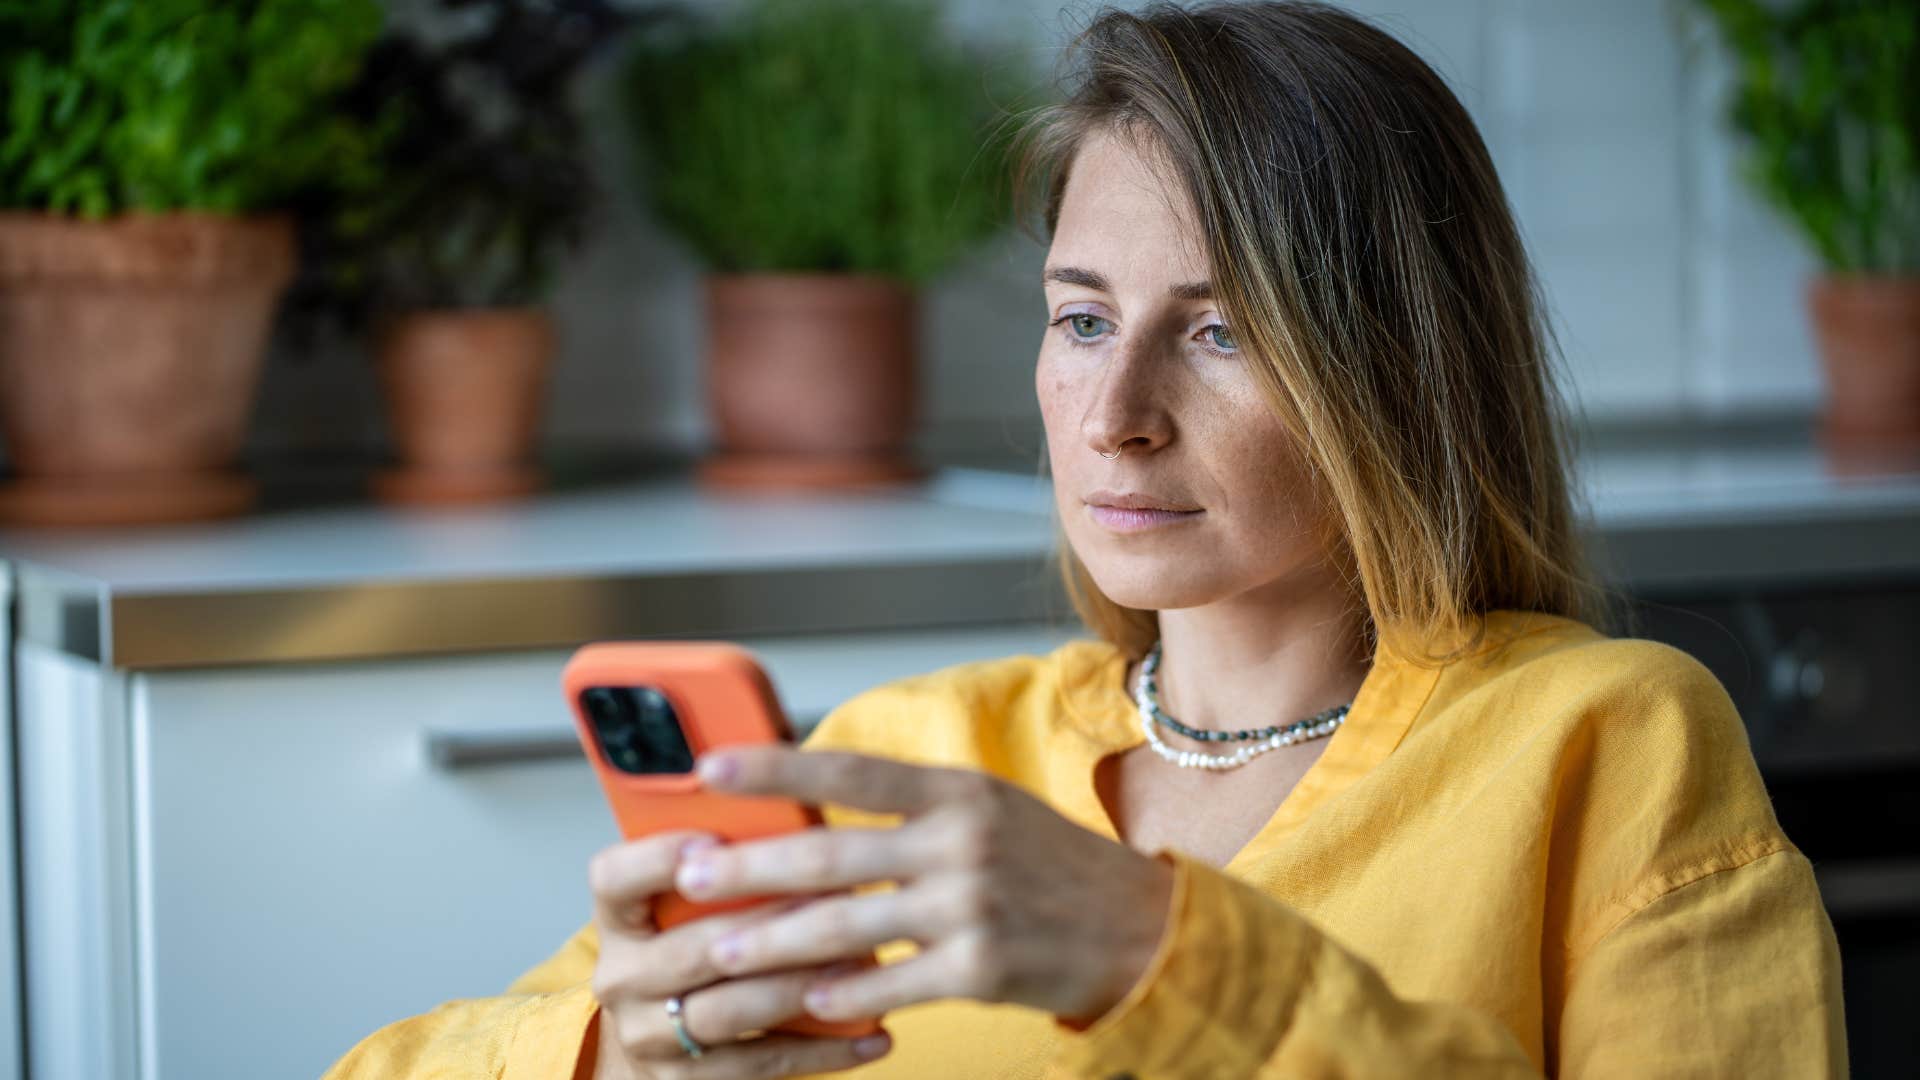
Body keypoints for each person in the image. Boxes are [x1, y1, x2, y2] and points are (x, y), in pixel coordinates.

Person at [324, 2, 1848, 1076]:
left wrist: (1164, 960)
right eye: (1079, 319)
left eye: (1224, 333)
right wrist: (616, 1057)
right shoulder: (902, 762)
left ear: (1397, 369)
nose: (1113, 412)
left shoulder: (1604, 745)